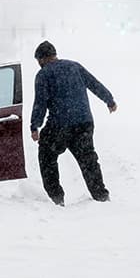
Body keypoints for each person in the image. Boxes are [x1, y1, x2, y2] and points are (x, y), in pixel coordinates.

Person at [29, 40, 117, 206]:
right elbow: (93, 83)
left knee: (47, 156)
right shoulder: (74, 66)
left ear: (41, 59)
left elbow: (40, 103)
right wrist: (109, 100)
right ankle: (101, 195)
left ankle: (56, 198)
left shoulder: (43, 75)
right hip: (84, 123)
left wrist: (35, 126)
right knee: (88, 160)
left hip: (59, 126)